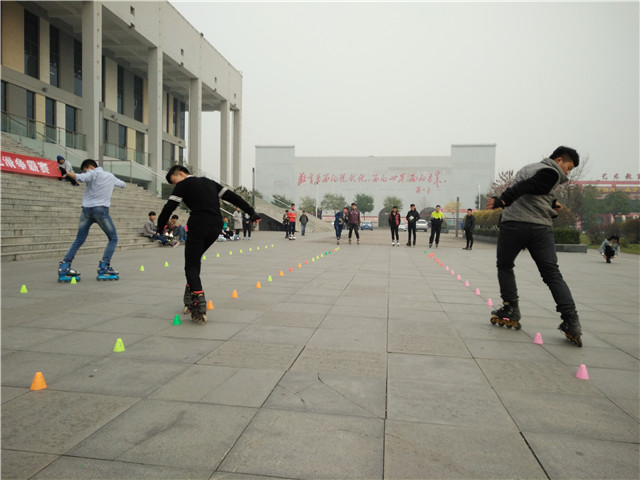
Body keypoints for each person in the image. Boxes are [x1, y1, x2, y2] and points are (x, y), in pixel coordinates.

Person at [485, 146, 583, 347]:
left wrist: (552, 201)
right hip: (539, 228)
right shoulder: (550, 172)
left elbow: (533, 189)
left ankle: (510, 307)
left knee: (505, 266)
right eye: (568, 166)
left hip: (513, 225)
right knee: (552, 274)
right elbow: (530, 186)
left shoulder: (529, 168)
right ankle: (571, 320)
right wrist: (504, 199)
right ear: (558, 160)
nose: (567, 171)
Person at [157, 165, 260, 324]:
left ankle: (199, 300)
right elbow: (233, 197)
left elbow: (169, 207)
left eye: (174, 181)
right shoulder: (209, 182)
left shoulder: (184, 185)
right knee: (195, 259)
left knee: (190, 264)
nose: (175, 185)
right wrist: (251, 212)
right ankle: (190, 292)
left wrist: (160, 227)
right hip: (215, 226)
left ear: (181, 174)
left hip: (199, 224)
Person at [57, 159, 125, 282]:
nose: (86, 172)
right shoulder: (109, 176)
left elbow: (81, 177)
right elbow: (122, 184)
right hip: (101, 211)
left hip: (86, 211)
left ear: (90, 167)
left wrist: (66, 172)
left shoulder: (93, 172)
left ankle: (65, 266)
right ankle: (104, 266)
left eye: (86, 169)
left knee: (79, 240)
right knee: (113, 238)